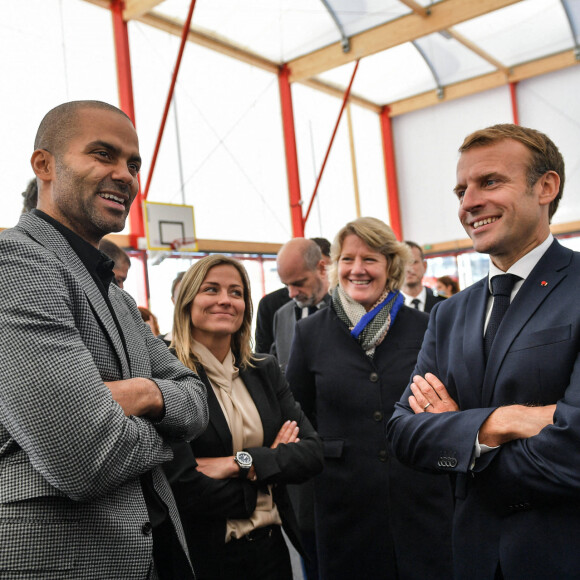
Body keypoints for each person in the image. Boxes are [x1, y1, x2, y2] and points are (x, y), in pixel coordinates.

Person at [0, 100, 208, 578]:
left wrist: (143, 393)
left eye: (133, 164)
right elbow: (84, 457)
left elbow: (198, 398)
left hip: (150, 555)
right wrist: (170, 437)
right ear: (44, 165)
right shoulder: (17, 264)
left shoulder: (110, 290)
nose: (125, 175)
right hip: (62, 561)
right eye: (103, 154)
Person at [387, 124, 579, 579]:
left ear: (546, 187)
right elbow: (403, 433)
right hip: (474, 557)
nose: (468, 203)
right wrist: (504, 421)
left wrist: (461, 437)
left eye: (490, 182)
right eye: (461, 189)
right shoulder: (450, 313)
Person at [286, 217, 454, 580]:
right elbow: (298, 411)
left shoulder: (426, 327)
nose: (357, 269)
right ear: (335, 266)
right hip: (343, 503)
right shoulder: (310, 332)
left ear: (390, 266)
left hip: (420, 497)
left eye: (370, 259)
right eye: (347, 259)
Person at [163, 255, 324, 580]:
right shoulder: (165, 372)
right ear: (187, 301)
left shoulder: (263, 370)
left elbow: (311, 453)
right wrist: (269, 471)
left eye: (236, 293)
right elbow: (182, 486)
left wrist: (241, 463)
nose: (225, 300)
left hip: (271, 552)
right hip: (205, 557)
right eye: (211, 290)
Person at [272, 238, 331, 371]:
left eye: (298, 283)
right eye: (286, 285)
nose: (291, 294)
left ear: (321, 269)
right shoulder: (282, 316)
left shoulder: (350, 310)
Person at [401, 241, 445, 312]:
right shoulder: (387, 309)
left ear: (424, 266)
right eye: (402, 263)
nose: (408, 269)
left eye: (413, 262)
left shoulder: (443, 304)